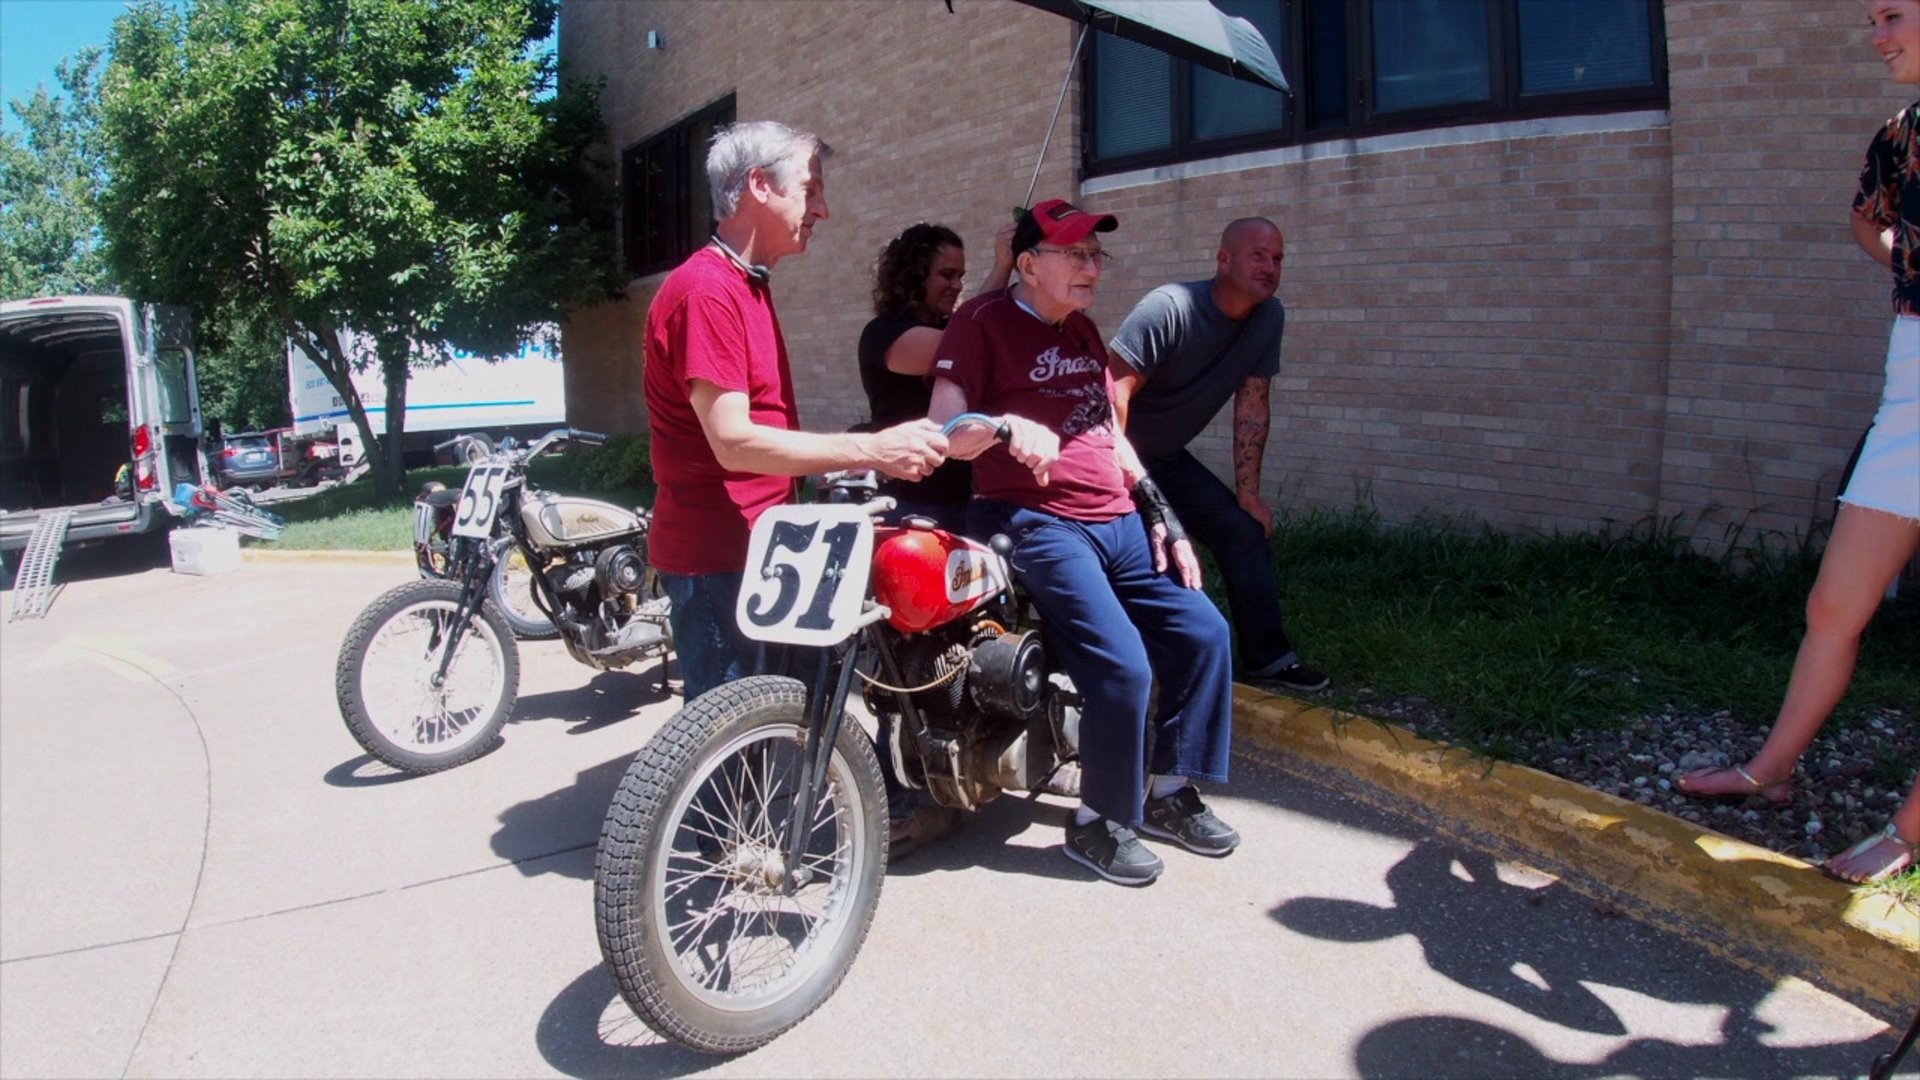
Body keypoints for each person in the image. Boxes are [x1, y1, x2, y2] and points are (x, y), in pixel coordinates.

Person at [1676, 0, 1920, 885]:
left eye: (1892, 14)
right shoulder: (1902, 133)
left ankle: (1911, 831)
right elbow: (1868, 218)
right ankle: (1771, 770)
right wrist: (1905, 253)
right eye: (1872, 18)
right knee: (1834, 602)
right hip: (1913, 382)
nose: (1877, 35)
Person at [928, 198, 1239, 887]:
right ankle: (1098, 820)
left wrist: (1163, 514)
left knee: (1205, 633)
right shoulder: (982, 324)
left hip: (1120, 521)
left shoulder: (1083, 332)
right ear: (1030, 264)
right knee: (1122, 666)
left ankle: (1167, 791)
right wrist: (1005, 426)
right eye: (1076, 254)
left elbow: (1108, 433)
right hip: (1033, 518)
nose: (1092, 267)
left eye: (1096, 255)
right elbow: (945, 431)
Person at [641, 119, 948, 705]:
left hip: (769, 545)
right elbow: (733, 441)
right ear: (759, 185)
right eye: (811, 189)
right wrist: (871, 448)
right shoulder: (707, 290)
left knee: (804, 716)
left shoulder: (747, 283)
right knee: (728, 756)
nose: (823, 210)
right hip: (718, 558)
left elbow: (765, 426)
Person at [1107, 217, 1328, 694]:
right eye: (1258, 255)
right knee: (1155, 550)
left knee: (1243, 532)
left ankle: (1270, 659)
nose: (1270, 267)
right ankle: (1145, 659)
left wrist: (1248, 493)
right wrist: (1121, 487)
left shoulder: (1269, 318)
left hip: (1166, 457)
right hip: (1116, 458)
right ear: (1224, 259)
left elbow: (1252, 406)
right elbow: (1111, 399)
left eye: (1278, 258)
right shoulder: (1169, 309)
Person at [857, 221, 1013, 527]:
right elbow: (958, 349)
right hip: (913, 502)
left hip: (968, 496)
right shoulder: (884, 333)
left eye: (960, 276)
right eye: (946, 275)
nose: (956, 285)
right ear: (914, 276)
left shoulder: (952, 327)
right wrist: (1003, 268)